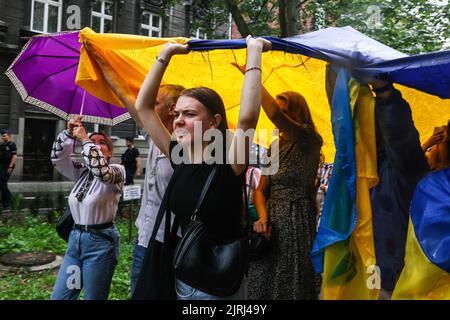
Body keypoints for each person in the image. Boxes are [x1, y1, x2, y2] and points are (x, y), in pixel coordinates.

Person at [132, 36, 271, 300]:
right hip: (183, 281)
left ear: (213, 121)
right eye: (177, 114)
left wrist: (254, 54)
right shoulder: (179, 156)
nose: (179, 121)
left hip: (218, 287)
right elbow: (144, 108)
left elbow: (247, 118)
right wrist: (166, 54)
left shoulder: (230, 162)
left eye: (190, 114)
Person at [82, 41, 186, 296]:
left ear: (172, 109)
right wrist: (100, 56)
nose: (148, 103)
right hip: (146, 239)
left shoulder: (186, 146)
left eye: (156, 101)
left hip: (174, 244)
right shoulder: (152, 134)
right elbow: (124, 93)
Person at [247, 88, 323, 300]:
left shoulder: (309, 139)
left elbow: (274, 114)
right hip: (271, 224)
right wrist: (262, 218)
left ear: (297, 115)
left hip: (296, 220)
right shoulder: (275, 147)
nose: (279, 120)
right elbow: (260, 190)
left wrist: (255, 76)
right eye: (281, 113)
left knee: (291, 283)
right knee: (263, 282)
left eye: (286, 113)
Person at [50, 116, 125, 300]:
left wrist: (85, 139)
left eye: (102, 143)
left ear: (109, 152)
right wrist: (68, 133)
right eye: (94, 141)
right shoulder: (82, 172)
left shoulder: (116, 171)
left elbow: (101, 172)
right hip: (75, 242)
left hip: (100, 244)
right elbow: (57, 159)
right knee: (62, 297)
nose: (96, 144)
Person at [0, 130, 17, 210]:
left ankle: (9, 198)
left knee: (2, 183)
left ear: (9, 136)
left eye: (4, 136)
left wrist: (10, 167)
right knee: (3, 183)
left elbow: (14, 157)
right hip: (2, 165)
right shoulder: (2, 145)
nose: (3, 137)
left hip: (8, 166)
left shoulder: (12, 145)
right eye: (2, 136)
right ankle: (5, 203)